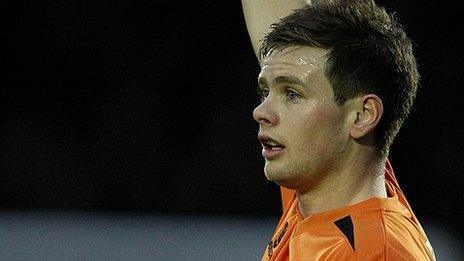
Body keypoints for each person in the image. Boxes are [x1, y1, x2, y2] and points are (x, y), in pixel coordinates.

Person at [241, 0, 436, 260]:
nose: (260, 112)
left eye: (292, 94)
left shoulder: (373, 252)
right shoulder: (321, 187)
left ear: (362, 116)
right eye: (266, 92)